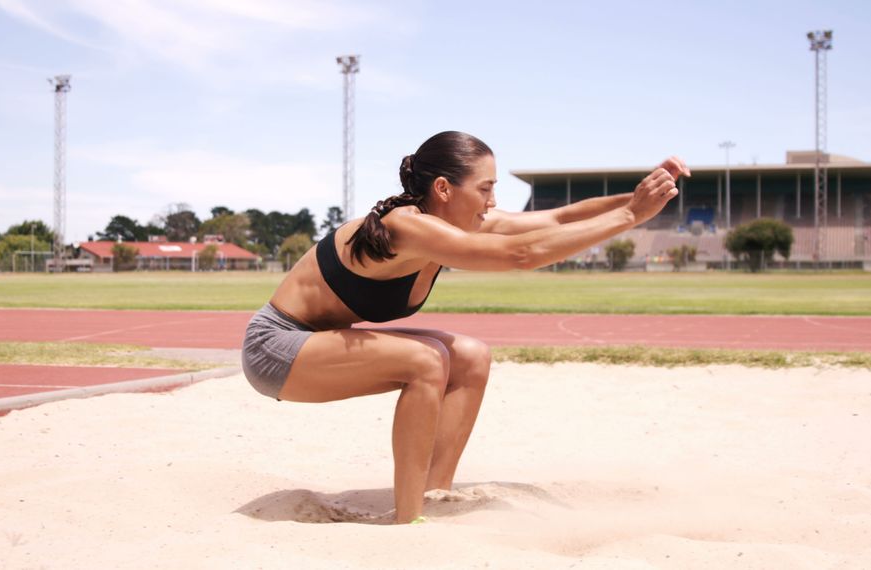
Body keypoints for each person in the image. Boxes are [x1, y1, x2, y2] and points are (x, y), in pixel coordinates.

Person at [241, 131, 690, 524]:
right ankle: (408, 518)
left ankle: (433, 493)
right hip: (276, 349)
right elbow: (521, 255)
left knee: (470, 355)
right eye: (485, 188)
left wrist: (641, 197)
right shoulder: (405, 226)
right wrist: (631, 217)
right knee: (426, 360)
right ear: (443, 188)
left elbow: (556, 219)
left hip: (317, 344)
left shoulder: (456, 223)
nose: (493, 202)